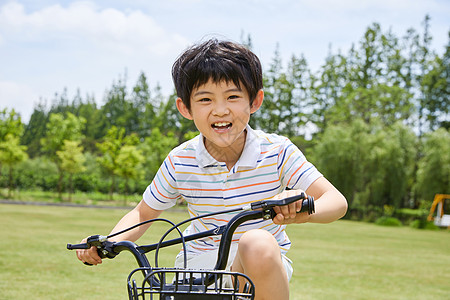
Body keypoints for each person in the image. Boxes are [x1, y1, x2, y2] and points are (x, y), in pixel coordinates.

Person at [76, 38, 348, 300]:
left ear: (254, 101)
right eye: (205, 100)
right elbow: (143, 213)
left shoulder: (277, 151)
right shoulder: (180, 160)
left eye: (232, 97)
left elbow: (336, 202)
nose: (220, 110)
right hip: (198, 268)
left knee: (257, 241)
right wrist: (108, 242)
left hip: (261, 265)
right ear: (185, 108)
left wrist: (302, 212)